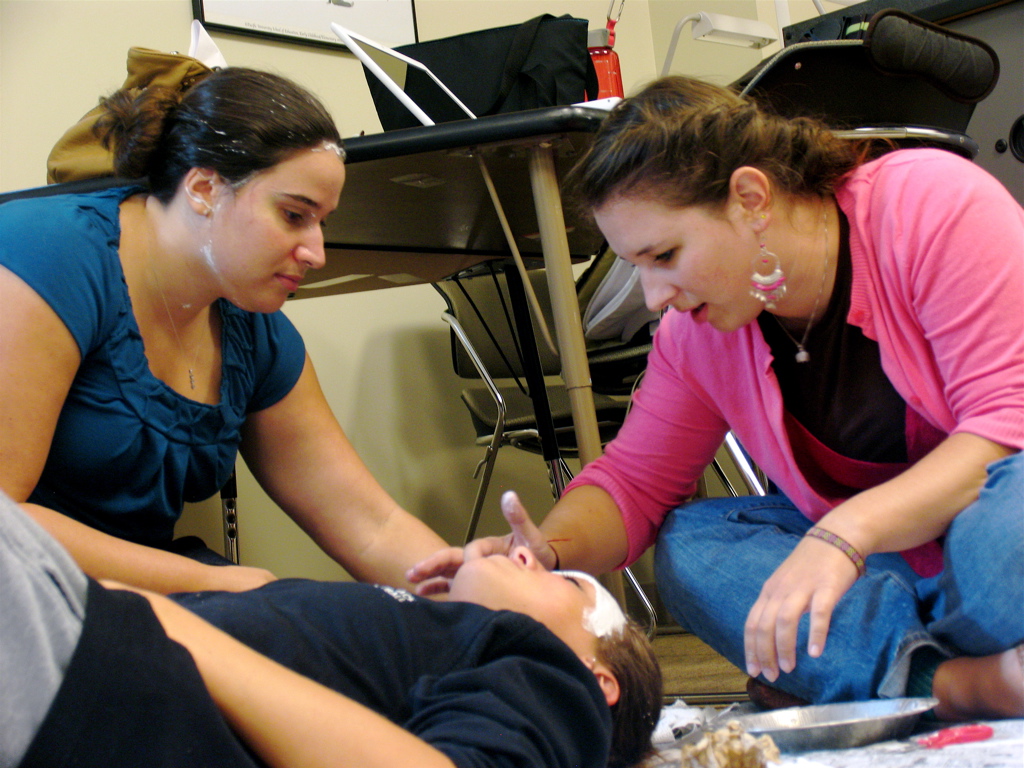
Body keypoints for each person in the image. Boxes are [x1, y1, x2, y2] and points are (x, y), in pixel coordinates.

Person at [410, 76, 1024, 722]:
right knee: (695, 546)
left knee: (1004, 534)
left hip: (980, 520)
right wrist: (541, 551)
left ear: (750, 198)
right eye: (635, 267)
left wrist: (845, 533)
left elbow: (1008, 423)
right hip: (894, 570)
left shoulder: (928, 202)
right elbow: (633, 483)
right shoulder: (695, 335)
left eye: (664, 256)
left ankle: (872, 670)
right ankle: (958, 680)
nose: (652, 297)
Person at [0, 66, 450, 594]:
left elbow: (373, 529)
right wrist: (226, 585)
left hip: (146, 594)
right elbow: (4, 519)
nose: (317, 253)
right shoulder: (48, 258)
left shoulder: (254, 332)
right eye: (293, 215)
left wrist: (481, 586)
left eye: (321, 222)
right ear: (204, 187)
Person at [0, 488, 661, 768]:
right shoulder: (451, 648)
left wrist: (169, 626)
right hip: (86, 639)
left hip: (102, 673)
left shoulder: (548, 677)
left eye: (564, 580)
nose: (523, 553)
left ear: (596, 680)